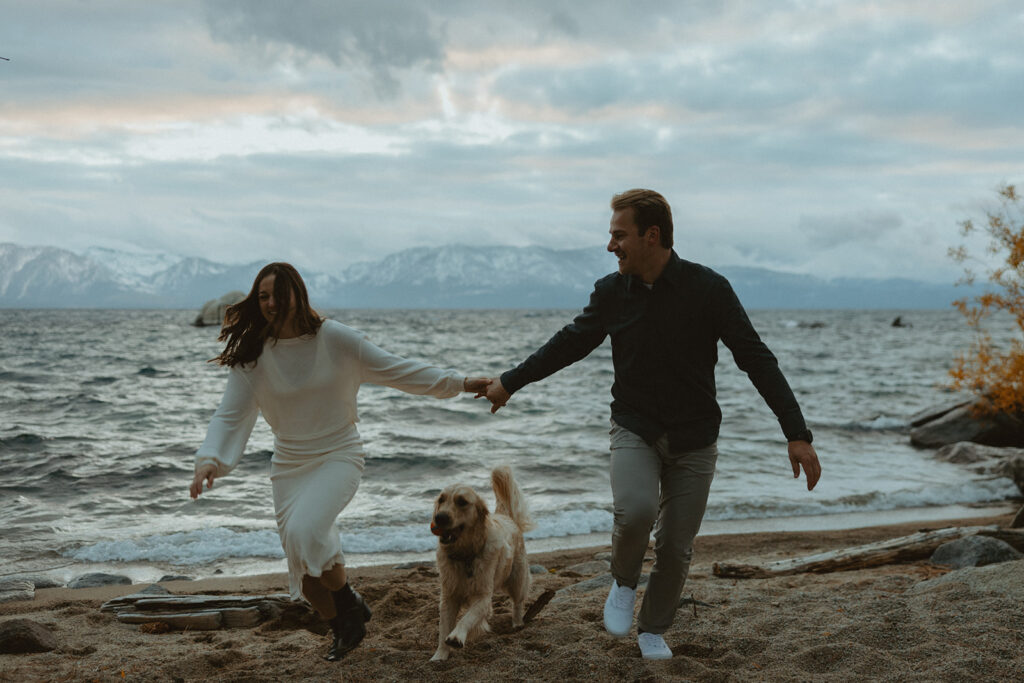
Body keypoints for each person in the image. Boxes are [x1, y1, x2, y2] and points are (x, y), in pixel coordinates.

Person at [482, 189, 821, 660]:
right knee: (636, 512)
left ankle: (653, 629)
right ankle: (622, 581)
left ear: (652, 235)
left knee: (677, 544)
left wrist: (797, 433)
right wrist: (510, 382)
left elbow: (756, 359)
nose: (611, 245)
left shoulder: (709, 289)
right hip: (635, 427)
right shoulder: (610, 293)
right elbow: (569, 344)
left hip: (696, 437)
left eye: (619, 235)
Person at [189, 262, 489, 661]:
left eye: (280, 294)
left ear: (299, 294)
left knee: (305, 532)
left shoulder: (335, 338)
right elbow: (230, 415)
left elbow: (398, 370)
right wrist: (210, 460)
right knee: (308, 574)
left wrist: (460, 382)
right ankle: (346, 621)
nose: (271, 303)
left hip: (338, 456)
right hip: (289, 468)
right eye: (263, 296)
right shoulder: (253, 356)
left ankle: (347, 606)